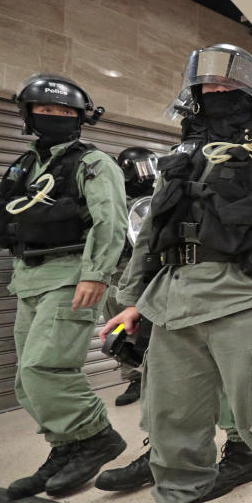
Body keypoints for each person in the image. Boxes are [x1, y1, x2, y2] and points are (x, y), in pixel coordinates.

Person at [102, 44, 252, 503]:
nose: (217, 91)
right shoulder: (180, 154)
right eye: (209, 85)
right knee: (171, 423)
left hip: (240, 300)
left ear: (250, 92)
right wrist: (131, 299)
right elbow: (154, 227)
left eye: (228, 85)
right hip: (172, 304)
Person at [0, 74, 128, 498]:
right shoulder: (23, 167)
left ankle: (97, 437)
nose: (54, 117)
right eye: (45, 109)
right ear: (28, 114)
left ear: (80, 117)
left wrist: (96, 273)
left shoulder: (94, 163)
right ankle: (66, 448)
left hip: (71, 277)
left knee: (45, 369)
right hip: (28, 280)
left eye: (64, 111)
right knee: (27, 379)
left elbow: (111, 221)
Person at [104, 147, 159, 406]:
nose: (145, 175)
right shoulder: (113, 199)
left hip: (153, 266)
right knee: (120, 323)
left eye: (149, 167)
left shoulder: (161, 196)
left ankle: (157, 373)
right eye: (139, 169)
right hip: (120, 267)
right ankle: (133, 377)